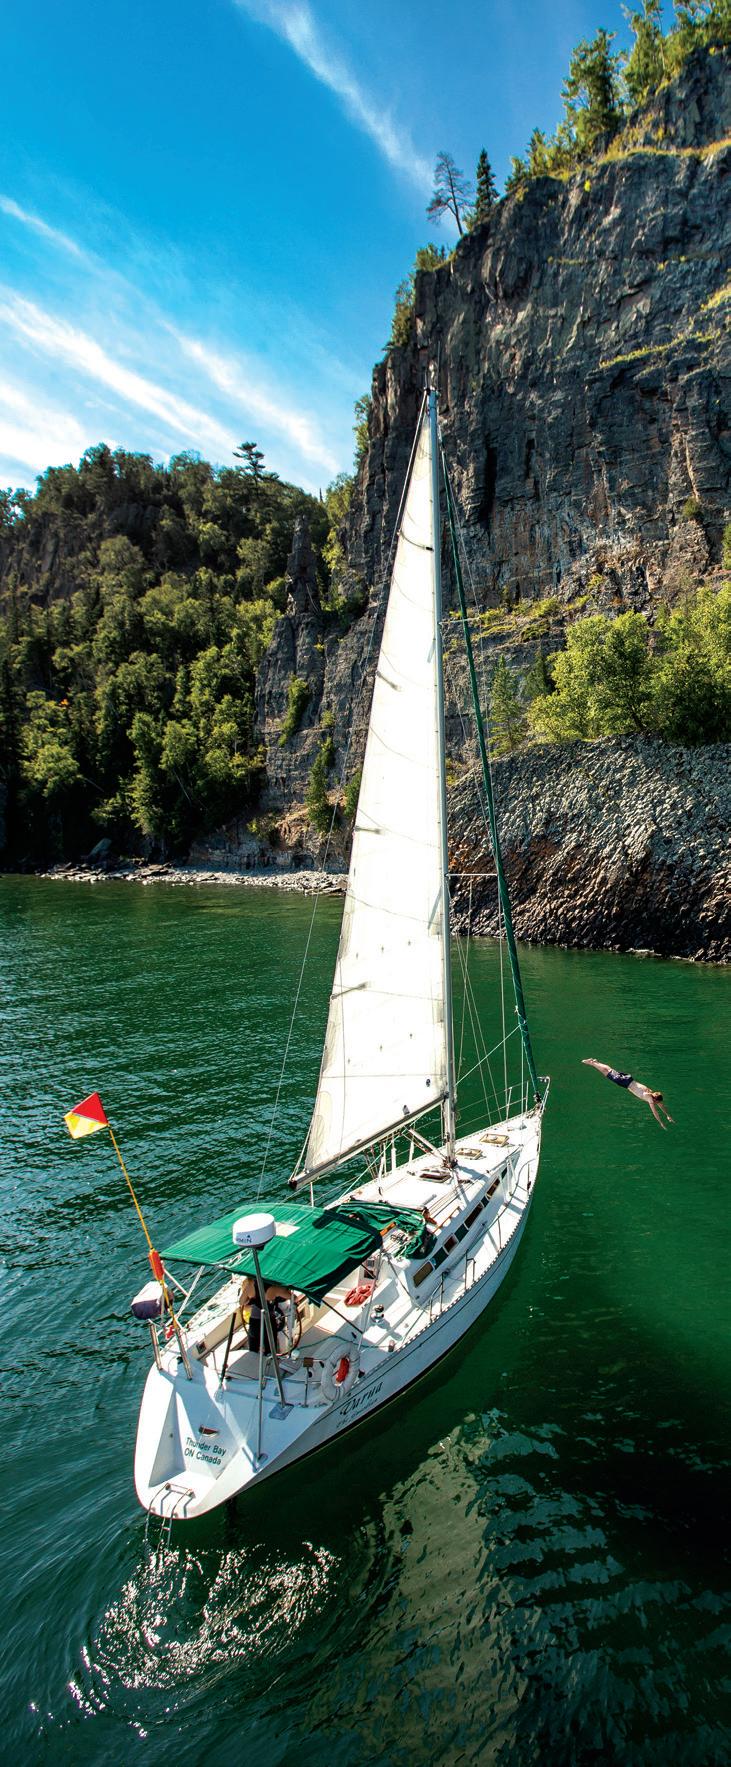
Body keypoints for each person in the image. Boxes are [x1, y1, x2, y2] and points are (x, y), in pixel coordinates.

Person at [582, 1059, 674, 1128]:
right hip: (625, 1083)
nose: (658, 1104)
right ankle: (592, 1063)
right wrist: (661, 1123)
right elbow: (655, 1112)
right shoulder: (649, 1097)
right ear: (655, 1099)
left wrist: (668, 1116)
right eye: (657, 1102)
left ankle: (596, 1062)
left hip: (629, 1079)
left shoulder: (651, 1092)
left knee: (610, 1070)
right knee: (606, 1073)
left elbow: (661, 1105)